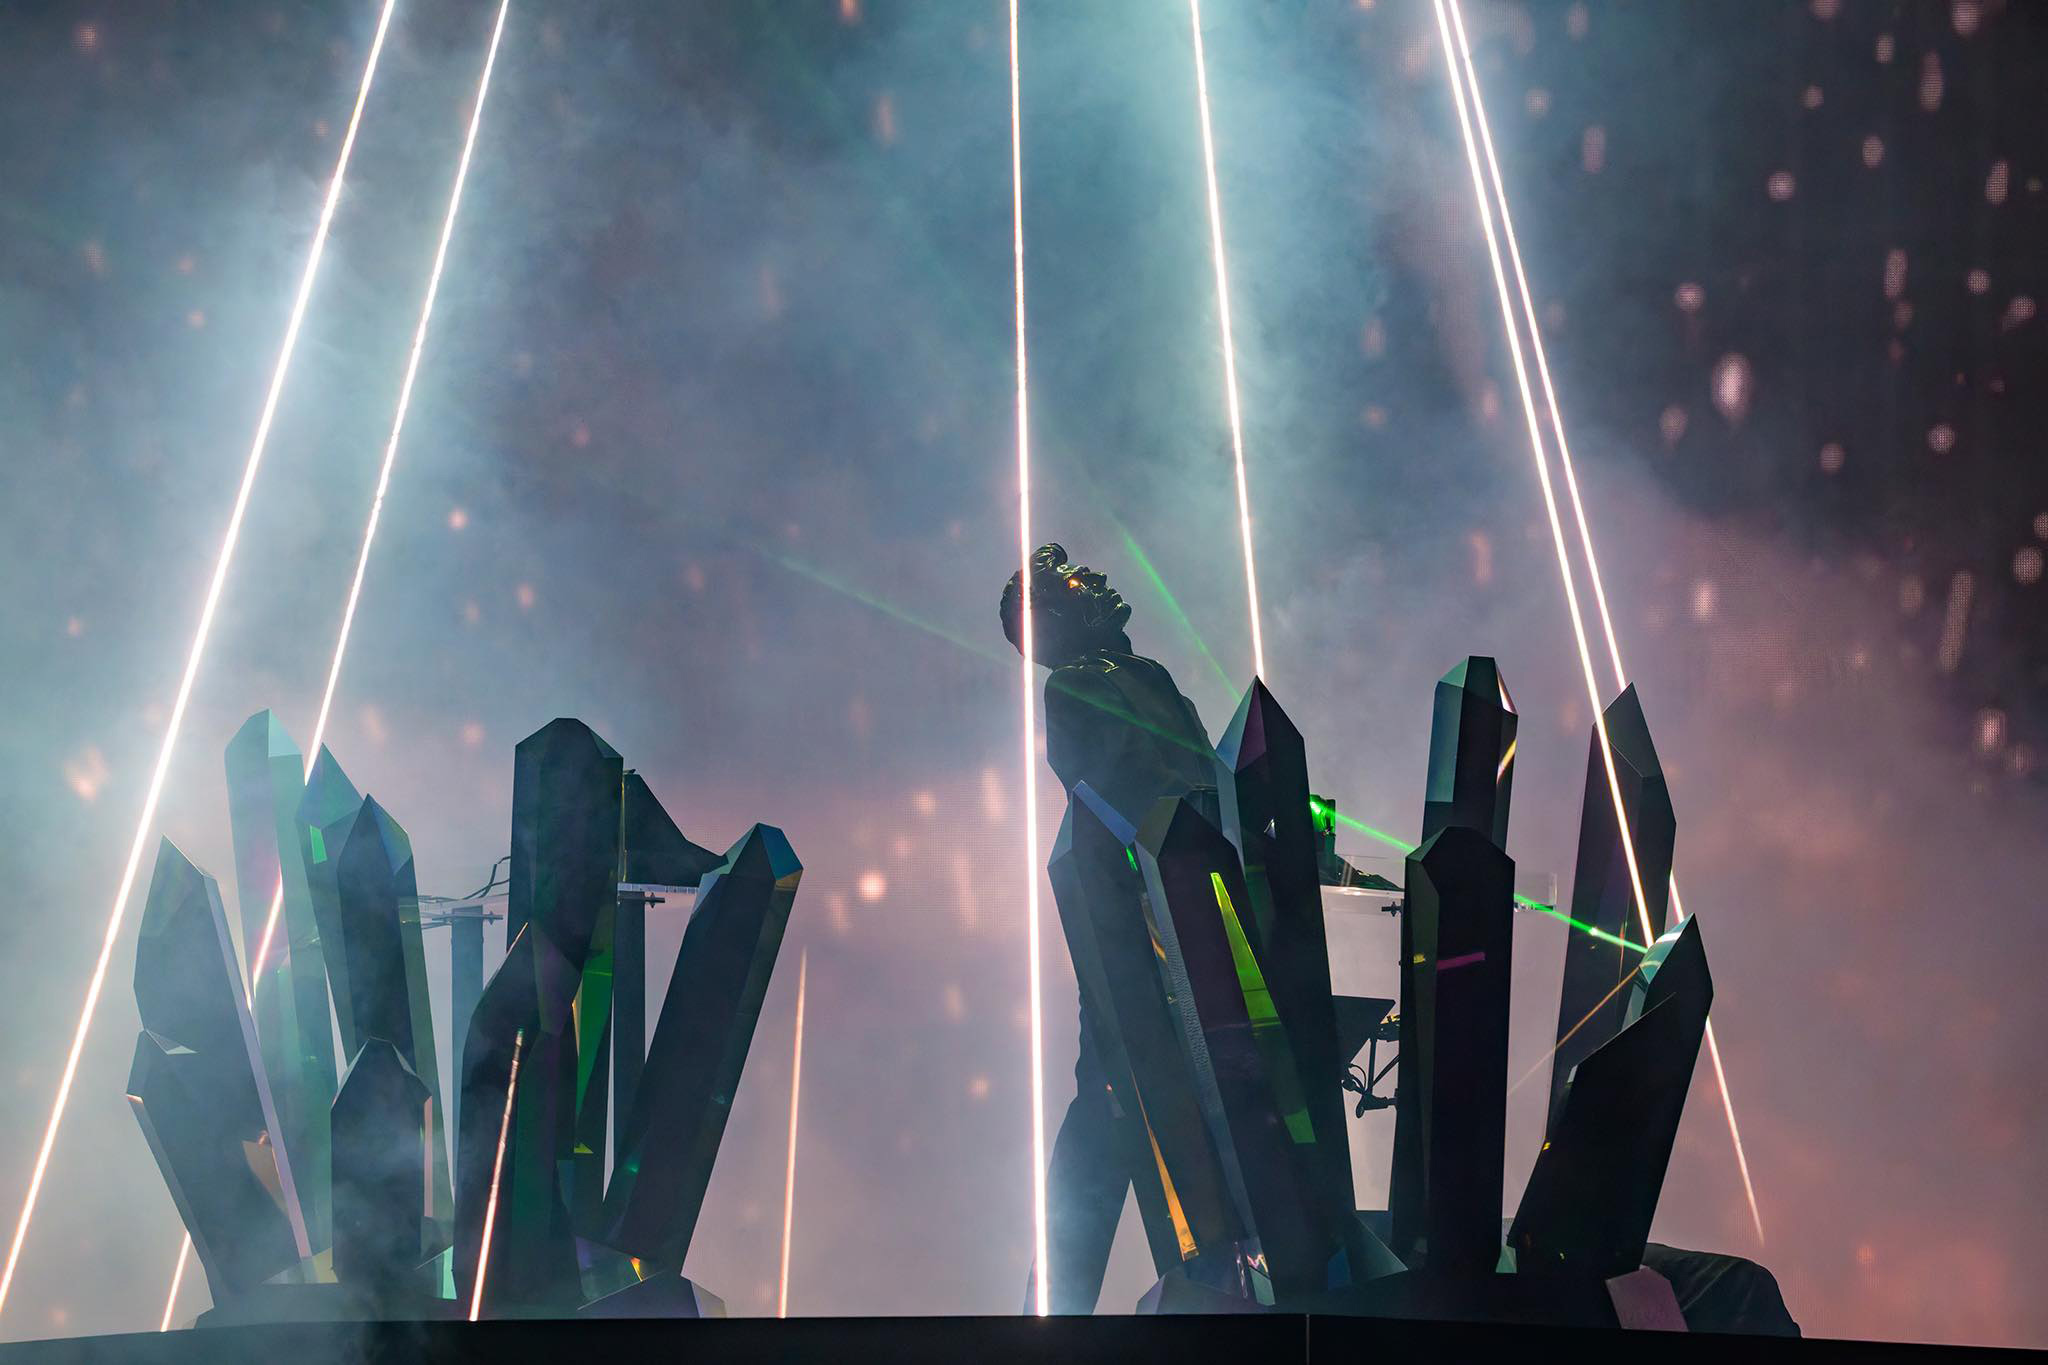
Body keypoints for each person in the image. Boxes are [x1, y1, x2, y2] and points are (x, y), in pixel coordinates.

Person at [999, 542, 1215, 1313]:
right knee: (1113, 1103)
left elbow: (1202, 778)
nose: (1097, 579)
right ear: (1054, 617)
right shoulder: (1077, 685)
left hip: (1186, 913)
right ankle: (1055, 1312)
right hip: (1141, 932)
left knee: (1124, 1104)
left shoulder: (1144, 675)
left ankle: (1066, 1307)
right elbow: (1131, 790)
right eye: (1074, 580)